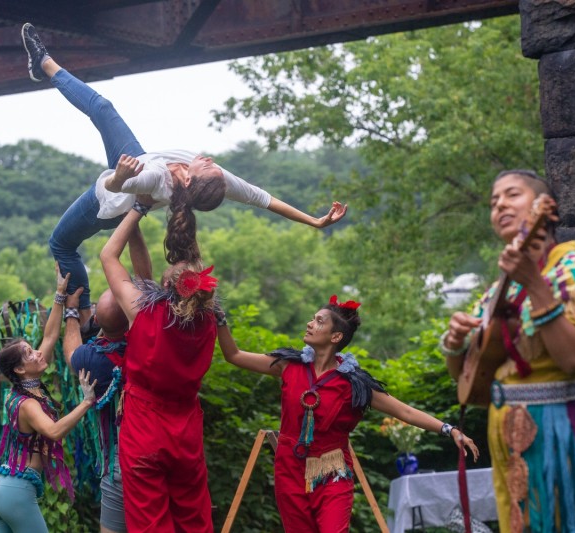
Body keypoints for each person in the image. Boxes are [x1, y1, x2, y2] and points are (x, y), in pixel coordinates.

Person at [20, 22, 348, 327]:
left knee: (60, 244)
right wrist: (314, 221)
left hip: (112, 200)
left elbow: (113, 184)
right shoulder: (214, 181)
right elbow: (264, 199)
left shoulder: (154, 182)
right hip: (138, 159)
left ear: (190, 179)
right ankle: (45, 64)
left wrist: (119, 177)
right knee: (103, 108)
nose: (207, 158)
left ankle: (85, 311)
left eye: (206, 164)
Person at [441, 169, 575, 532]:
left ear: (543, 208)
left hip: (559, 428)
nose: (500, 205)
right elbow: (469, 380)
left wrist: (536, 286)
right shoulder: (496, 291)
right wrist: (456, 342)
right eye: (494, 201)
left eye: (511, 195)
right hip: (505, 435)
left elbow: (572, 359)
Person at [217, 295, 479, 532]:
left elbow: (405, 411)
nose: (310, 323)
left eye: (319, 321)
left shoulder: (354, 383)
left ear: (335, 337)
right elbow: (234, 355)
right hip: (289, 468)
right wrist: (219, 318)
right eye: (313, 319)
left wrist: (449, 429)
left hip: (332, 470)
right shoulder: (288, 366)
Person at [99, 196, 219, 532]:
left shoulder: (143, 311)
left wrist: (137, 207)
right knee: (194, 518)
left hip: (144, 427)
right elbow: (188, 275)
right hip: (186, 430)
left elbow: (108, 255)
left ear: (164, 287)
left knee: (149, 522)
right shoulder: (210, 321)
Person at [0, 264, 97, 533]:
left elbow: (50, 335)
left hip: (2, 490)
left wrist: (59, 294)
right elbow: (54, 431)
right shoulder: (27, 404)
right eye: (29, 354)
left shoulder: (23, 389)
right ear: (20, 369)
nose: (38, 353)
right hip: (16, 493)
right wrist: (86, 401)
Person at [61, 223, 152, 533]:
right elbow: (145, 281)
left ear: (96, 319)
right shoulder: (149, 342)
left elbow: (71, 351)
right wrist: (134, 229)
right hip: (156, 451)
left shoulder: (94, 360)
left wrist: (71, 312)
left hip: (121, 463)